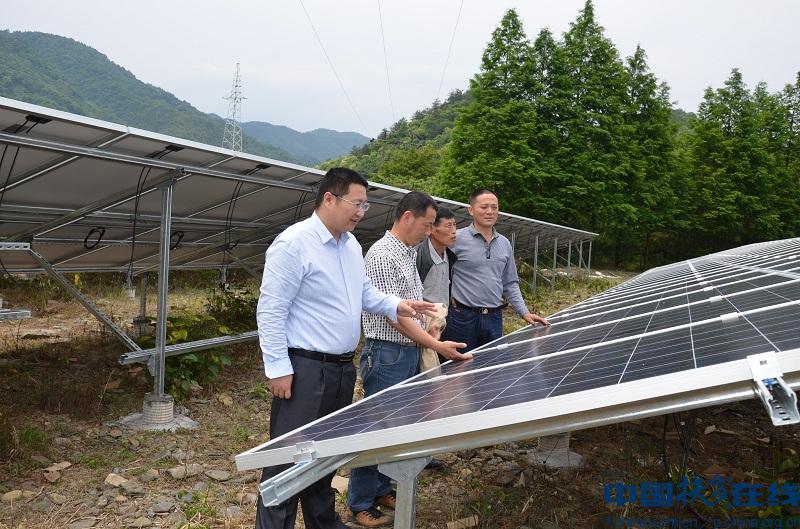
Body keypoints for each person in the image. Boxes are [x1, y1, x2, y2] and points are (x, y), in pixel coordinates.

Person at [255, 168, 435, 529]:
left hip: (340, 368)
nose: (361, 212)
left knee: (326, 452)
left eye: (365, 205)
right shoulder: (294, 244)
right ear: (329, 198)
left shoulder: (350, 246)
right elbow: (271, 309)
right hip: (304, 368)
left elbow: (363, 292)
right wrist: (278, 367)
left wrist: (397, 305)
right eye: (356, 203)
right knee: (288, 459)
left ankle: (322, 522)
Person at [348, 192, 470, 527]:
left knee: (397, 424)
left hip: (407, 350)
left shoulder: (408, 252)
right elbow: (395, 318)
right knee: (376, 426)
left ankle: (381, 488)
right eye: (427, 225)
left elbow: (412, 305)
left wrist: (431, 323)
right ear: (407, 218)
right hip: (387, 353)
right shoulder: (382, 256)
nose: (429, 232)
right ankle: (360, 502)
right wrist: (436, 344)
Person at [443, 188, 550, 352]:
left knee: (492, 363)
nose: (490, 211)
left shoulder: (504, 244)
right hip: (462, 318)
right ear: (471, 210)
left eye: (494, 207)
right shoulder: (456, 239)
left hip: (494, 318)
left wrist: (524, 312)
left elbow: (510, 283)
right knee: (460, 364)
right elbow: (438, 271)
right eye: (484, 207)